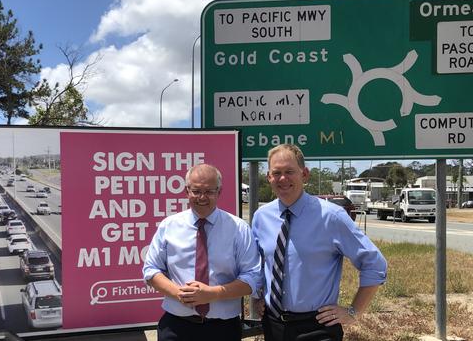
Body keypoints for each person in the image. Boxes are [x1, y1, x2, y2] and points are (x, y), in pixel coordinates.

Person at [252, 144, 387, 341]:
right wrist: (258, 298)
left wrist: (353, 313)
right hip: (273, 326)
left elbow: (375, 264)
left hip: (317, 327)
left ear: (304, 174)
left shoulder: (332, 217)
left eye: (290, 171)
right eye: (277, 173)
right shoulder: (261, 217)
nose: (283, 178)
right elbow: (256, 265)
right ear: (269, 177)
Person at [143, 163, 261, 341]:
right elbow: (151, 270)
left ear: (219, 192)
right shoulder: (169, 226)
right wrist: (179, 293)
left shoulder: (238, 229)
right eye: (196, 191)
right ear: (186, 191)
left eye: (209, 192)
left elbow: (253, 277)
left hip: (223, 330)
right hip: (176, 328)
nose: (202, 197)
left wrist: (213, 293)